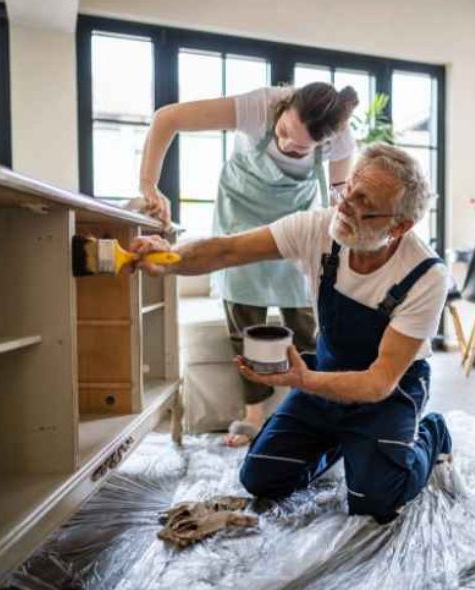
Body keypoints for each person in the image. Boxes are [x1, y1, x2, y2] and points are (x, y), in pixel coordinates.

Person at [133, 144, 452, 524]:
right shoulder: (320, 228)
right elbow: (228, 251)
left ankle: (434, 432)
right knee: (261, 479)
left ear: (398, 226)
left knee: (376, 501)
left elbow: (379, 382)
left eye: (362, 200)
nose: (345, 205)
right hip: (326, 375)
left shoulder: (426, 275)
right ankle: (341, 439)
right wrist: (169, 257)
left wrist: (304, 380)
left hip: (388, 392)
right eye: (346, 189)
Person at [138, 82, 360, 447]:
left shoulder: (340, 140)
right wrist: (150, 185)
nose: (288, 144)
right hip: (240, 214)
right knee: (245, 321)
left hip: (296, 222)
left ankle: (311, 411)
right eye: (285, 131)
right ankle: (253, 413)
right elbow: (168, 119)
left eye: (302, 146)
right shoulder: (258, 107)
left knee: (305, 324)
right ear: (284, 107)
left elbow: (338, 198)